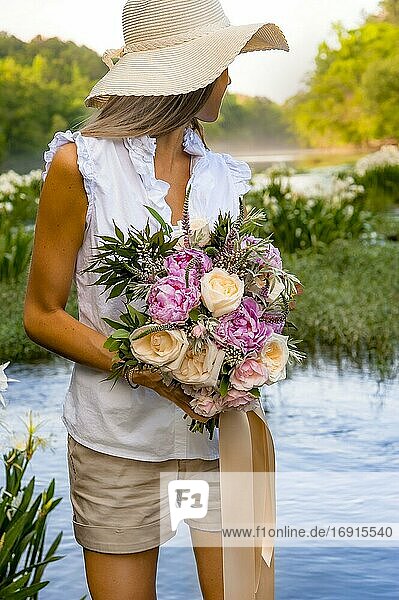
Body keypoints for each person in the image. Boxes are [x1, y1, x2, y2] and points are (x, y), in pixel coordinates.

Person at [23, 1, 289, 598]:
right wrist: (151, 372)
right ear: (188, 75)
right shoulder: (80, 166)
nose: (230, 78)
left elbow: (242, 301)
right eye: (222, 64)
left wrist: (249, 339)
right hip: (116, 440)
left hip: (226, 434)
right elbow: (41, 314)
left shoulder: (226, 177)